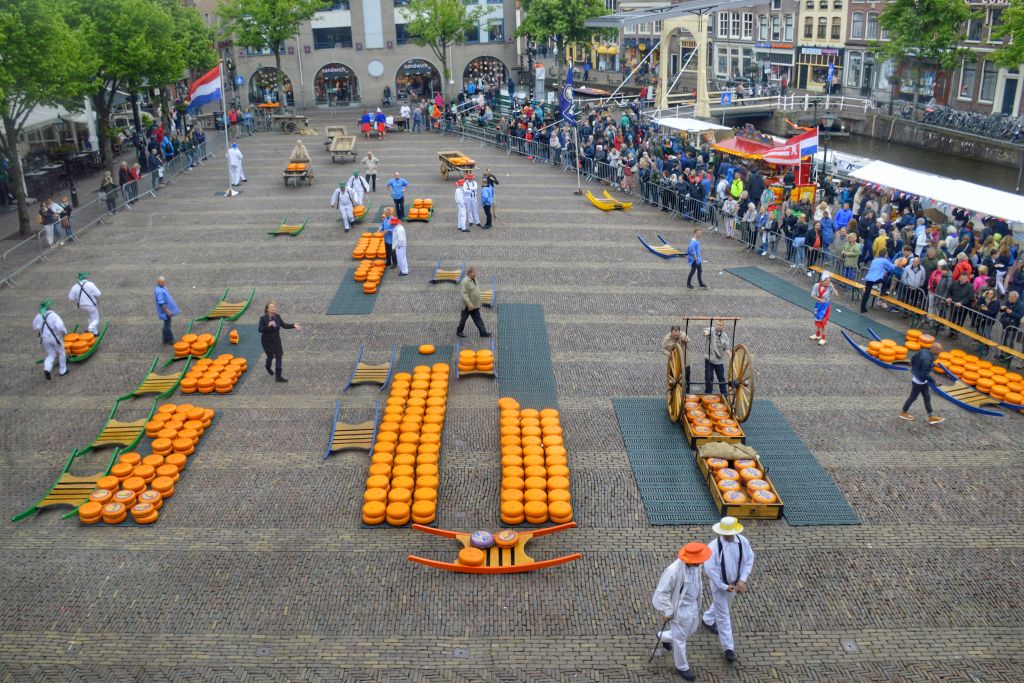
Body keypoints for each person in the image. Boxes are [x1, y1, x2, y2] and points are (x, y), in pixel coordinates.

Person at [652, 542, 712, 681]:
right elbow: (662, 592)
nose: (701, 562)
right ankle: (682, 667)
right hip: (679, 609)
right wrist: (668, 611)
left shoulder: (696, 566)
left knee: (689, 631)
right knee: (680, 639)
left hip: (692, 606)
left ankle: (662, 636)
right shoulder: (673, 571)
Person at [702, 516, 755, 664]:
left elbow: (749, 559)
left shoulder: (743, 542)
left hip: (734, 584)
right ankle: (728, 648)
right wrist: (724, 586)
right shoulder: (713, 547)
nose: (729, 535)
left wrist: (742, 580)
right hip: (720, 586)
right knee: (724, 616)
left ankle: (707, 619)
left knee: (721, 605)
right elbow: (710, 570)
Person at [899, 341, 945, 424]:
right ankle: (903, 412)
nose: (938, 354)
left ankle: (930, 416)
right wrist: (934, 382)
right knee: (913, 397)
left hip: (919, 379)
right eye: (938, 352)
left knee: (927, 397)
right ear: (934, 349)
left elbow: (913, 359)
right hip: (919, 381)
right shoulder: (927, 359)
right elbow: (924, 374)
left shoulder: (923, 351)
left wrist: (914, 369)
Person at [258, 302, 301, 382]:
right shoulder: (263, 318)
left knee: (279, 356)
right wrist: (268, 325)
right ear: (267, 309)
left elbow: (284, 325)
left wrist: (293, 325)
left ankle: (278, 377)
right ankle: (267, 366)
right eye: (271, 307)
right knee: (270, 356)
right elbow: (260, 330)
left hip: (276, 340)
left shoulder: (277, 317)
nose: (273, 308)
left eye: (274, 307)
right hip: (267, 341)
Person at [33, 299, 68, 381]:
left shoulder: (38, 316)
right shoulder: (53, 315)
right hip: (55, 337)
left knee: (51, 354)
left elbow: (34, 326)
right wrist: (64, 333)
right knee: (61, 352)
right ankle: (63, 370)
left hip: (44, 339)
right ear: (49, 307)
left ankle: (47, 368)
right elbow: (60, 326)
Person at [457, 266, 491, 338]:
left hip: (475, 305)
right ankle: (459, 331)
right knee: (463, 319)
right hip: (468, 306)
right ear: (469, 273)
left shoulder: (474, 279)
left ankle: (483, 332)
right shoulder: (465, 282)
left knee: (478, 319)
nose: (475, 274)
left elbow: (476, 290)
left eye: (475, 272)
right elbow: (464, 294)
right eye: (474, 272)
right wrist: (469, 304)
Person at [703, 319, 731, 396]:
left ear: (723, 326)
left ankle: (724, 395)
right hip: (710, 359)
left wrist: (730, 355)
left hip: (719, 361)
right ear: (715, 324)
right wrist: (706, 333)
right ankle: (708, 395)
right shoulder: (711, 330)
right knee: (709, 378)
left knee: (721, 378)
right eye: (717, 325)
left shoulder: (724, 335)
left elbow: (727, 348)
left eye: (720, 325)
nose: (718, 326)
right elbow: (706, 331)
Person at [810, 271, 837, 345]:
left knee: (823, 322)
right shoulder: (816, 285)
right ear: (822, 280)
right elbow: (812, 295)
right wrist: (819, 299)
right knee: (817, 320)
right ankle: (818, 335)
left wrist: (833, 287)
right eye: (827, 281)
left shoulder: (829, 287)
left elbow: (836, 294)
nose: (828, 283)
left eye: (829, 281)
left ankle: (824, 338)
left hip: (826, 307)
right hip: (818, 305)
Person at [154, 276, 180, 345]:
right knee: (167, 325)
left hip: (166, 311)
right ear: (158, 282)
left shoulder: (161, 288)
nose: (163, 283)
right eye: (162, 282)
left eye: (164, 282)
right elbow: (161, 303)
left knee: (167, 324)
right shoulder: (159, 291)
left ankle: (165, 339)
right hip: (165, 312)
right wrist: (168, 311)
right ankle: (170, 339)